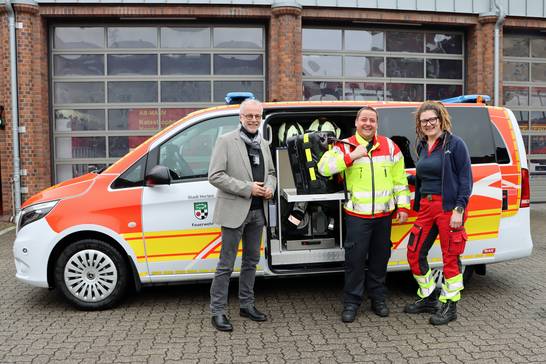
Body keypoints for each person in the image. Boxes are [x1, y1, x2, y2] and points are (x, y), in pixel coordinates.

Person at [318, 106, 410, 323]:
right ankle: (352, 302)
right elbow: (324, 167)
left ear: (377, 123)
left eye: (372, 120)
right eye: (364, 120)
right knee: (355, 261)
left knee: (380, 259)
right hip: (357, 216)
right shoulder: (344, 145)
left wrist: (404, 206)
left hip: (383, 216)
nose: (368, 124)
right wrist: (351, 156)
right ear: (357, 122)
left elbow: (400, 181)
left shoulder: (389, 146)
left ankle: (378, 298)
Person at [208, 99, 276, 332]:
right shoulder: (226, 141)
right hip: (234, 212)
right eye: (249, 116)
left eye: (257, 116)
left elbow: (271, 173)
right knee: (225, 265)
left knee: (251, 262)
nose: (254, 120)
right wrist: (248, 188)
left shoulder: (264, 143)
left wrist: (270, 188)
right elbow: (215, 176)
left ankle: (246, 305)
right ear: (240, 117)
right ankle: (217, 311)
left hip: (258, 213)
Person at [403, 100, 472, 325]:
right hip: (426, 207)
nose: (428, 124)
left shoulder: (455, 144)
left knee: (450, 257)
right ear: (419, 124)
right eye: (424, 121)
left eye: (432, 119)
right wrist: (405, 180)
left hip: (448, 208)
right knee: (414, 252)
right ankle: (429, 297)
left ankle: (450, 307)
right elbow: (425, 177)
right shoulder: (423, 146)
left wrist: (459, 209)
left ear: (441, 119)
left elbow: (465, 179)